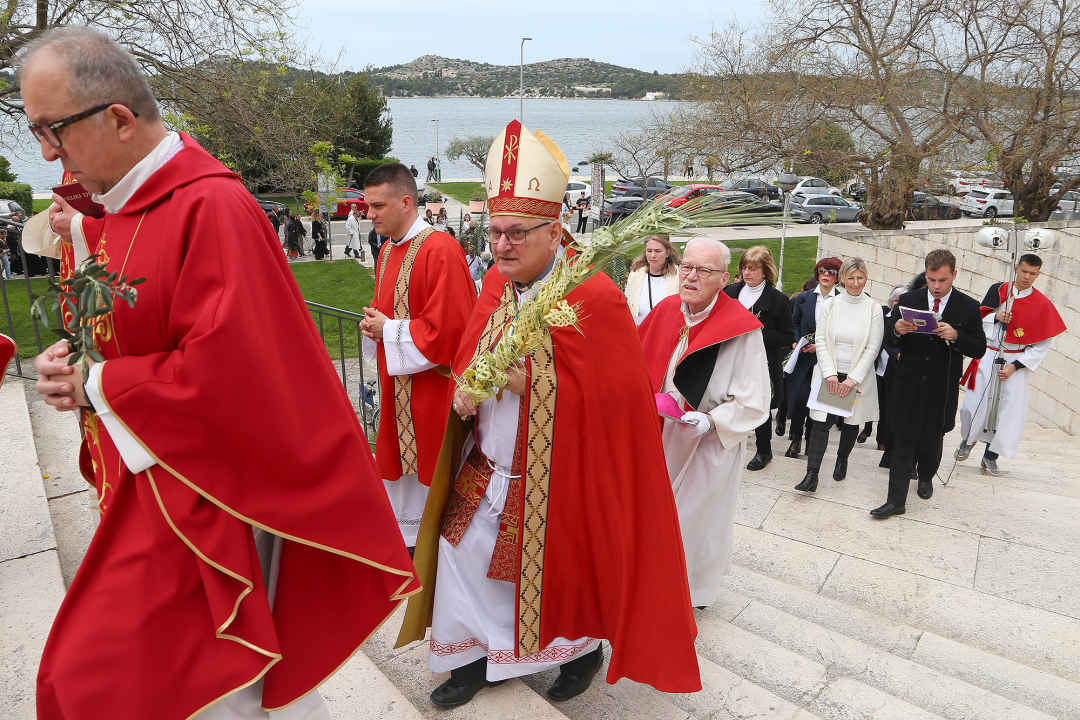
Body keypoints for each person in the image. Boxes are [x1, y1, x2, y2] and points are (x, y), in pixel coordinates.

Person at [18, 26, 418, 720]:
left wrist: (98, 384)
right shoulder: (131, 202)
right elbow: (137, 320)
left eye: (52, 130)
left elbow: (233, 372)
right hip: (165, 480)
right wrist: (80, 357)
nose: (48, 154)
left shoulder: (211, 207)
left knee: (153, 686)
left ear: (119, 120)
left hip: (216, 498)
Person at [398, 119, 701, 707]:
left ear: (555, 230)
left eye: (517, 233)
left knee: (556, 568)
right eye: (494, 232)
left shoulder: (592, 294)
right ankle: (471, 661)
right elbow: (471, 350)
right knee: (461, 556)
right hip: (488, 462)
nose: (502, 246)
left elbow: (619, 397)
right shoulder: (496, 282)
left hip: (558, 475)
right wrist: (466, 386)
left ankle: (579, 651)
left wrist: (531, 383)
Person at [639, 236, 770, 608]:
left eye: (704, 270)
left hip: (708, 441)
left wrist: (711, 420)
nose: (691, 276)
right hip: (661, 434)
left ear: (724, 278)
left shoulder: (740, 328)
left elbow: (754, 400)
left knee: (693, 523)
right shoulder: (666, 310)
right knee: (654, 516)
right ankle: (650, 583)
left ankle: (687, 594)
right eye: (687, 267)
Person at [360, 163, 477, 550]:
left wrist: (389, 330)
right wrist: (374, 326)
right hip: (398, 393)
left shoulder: (440, 250)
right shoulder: (387, 251)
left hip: (430, 394)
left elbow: (452, 331)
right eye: (368, 206)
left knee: (433, 497)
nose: (369, 214)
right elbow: (389, 313)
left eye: (377, 206)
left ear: (406, 202)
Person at [871, 249, 986, 518]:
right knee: (902, 439)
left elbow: (979, 348)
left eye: (942, 280)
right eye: (931, 279)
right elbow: (888, 339)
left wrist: (956, 336)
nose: (936, 286)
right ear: (925, 274)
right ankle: (895, 500)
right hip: (908, 383)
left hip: (940, 386)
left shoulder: (968, 306)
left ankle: (926, 476)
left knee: (932, 439)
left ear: (954, 275)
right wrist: (897, 330)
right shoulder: (908, 300)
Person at [956, 254, 1066, 475]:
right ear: (1016, 268)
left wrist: (1014, 367)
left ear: (1038, 274)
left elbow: (1041, 345)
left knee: (1006, 412)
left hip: (1016, 363)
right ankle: (968, 438)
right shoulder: (998, 290)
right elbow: (976, 319)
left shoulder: (1042, 304)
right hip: (989, 354)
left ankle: (990, 457)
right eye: (1024, 271)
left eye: (1032, 273)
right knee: (973, 404)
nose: (1027, 277)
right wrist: (995, 317)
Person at [794, 257, 883, 491]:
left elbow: (872, 347)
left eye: (860, 277)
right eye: (850, 278)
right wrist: (830, 374)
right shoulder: (831, 305)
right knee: (820, 422)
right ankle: (811, 475)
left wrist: (852, 379)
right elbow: (822, 339)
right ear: (842, 279)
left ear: (866, 278)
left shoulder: (873, 309)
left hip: (856, 376)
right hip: (830, 373)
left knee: (850, 422)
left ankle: (842, 458)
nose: (856, 283)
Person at [724, 246, 795, 471]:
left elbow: (788, 337)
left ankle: (764, 450)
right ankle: (728, 445)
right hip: (731, 358)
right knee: (729, 401)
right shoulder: (730, 292)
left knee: (759, 405)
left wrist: (757, 332)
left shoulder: (778, 299)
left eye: (753, 268)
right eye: (744, 267)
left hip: (761, 361)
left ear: (765, 271)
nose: (747, 273)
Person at [784, 257, 842, 458]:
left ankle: (811, 440)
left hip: (826, 360)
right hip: (803, 358)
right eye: (823, 270)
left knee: (817, 401)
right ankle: (796, 438)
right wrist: (796, 341)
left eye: (832, 272)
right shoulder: (804, 297)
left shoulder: (841, 301)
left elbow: (840, 333)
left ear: (837, 277)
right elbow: (795, 322)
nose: (826, 275)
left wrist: (820, 347)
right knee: (800, 398)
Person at [876, 285, 907, 468]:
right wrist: (896, 354)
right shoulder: (886, 315)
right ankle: (882, 441)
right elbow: (886, 339)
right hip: (883, 368)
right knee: (884, 408)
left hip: (899, 371)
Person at [624, 235, 681, 324]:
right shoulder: (636, 274)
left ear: (668, 252)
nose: (652, 255)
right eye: (649, 251)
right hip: (640, 327)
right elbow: (629, 304)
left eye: (658, 251)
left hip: (669, 326)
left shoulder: (679, 275)